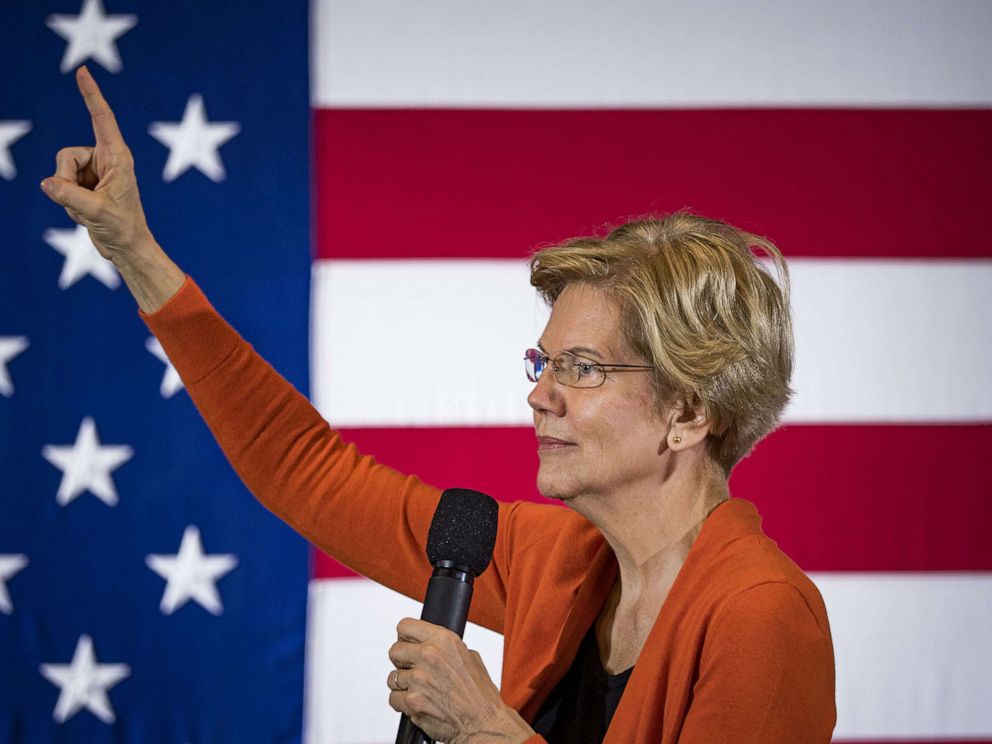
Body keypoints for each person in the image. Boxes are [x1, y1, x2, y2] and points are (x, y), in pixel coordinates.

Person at [42, 67, 835, 743]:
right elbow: (306, 472)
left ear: (689, 413)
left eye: (582, 368)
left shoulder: (761, 616)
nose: (539, 394)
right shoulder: (551, 557)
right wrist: (137, 254)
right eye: (543, 361)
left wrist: (489, 729)